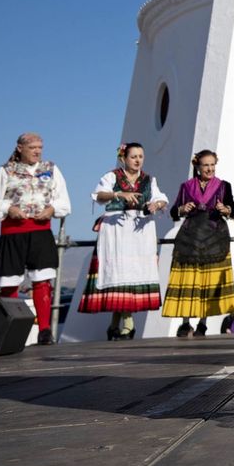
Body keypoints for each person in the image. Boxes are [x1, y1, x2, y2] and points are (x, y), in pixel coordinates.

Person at [0, 132, 71, 344]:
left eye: (40, 147)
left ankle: (45, 330)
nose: (38, 151)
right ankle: (9, 329)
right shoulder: (6, 171)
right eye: (33, 147)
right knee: (9, 282)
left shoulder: (50, 169)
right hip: (13, 233)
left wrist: (52, 209)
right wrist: (7, 207)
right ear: (20, 148)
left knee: (42, 280)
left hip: (40, 231)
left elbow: (63, 199)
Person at [79, 143, 169, 339]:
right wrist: (118, 193)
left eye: (141, 156)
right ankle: (128, 323)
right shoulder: (112, 177)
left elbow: (162, 198)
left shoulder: (148, 180)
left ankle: (114, 324)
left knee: (133, 272)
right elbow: (98, 195)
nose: (138, 160)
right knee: (119, 272)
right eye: (133, 156)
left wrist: (156, 204)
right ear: (124, 158)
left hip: (140, 231)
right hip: (116, 231)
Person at [162, 150, 234, 337]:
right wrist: (182, 208)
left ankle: (203, 323)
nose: (210, 168)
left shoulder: (223, 186)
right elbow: (174, 211)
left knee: (208, 281)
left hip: (215, 237)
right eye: (206, 165)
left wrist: (225, 209)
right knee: (189, 280)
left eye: (212, 164)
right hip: (190, 237)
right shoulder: (187, 187)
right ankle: (185, 323)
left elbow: (233, 209)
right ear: (197, 167)